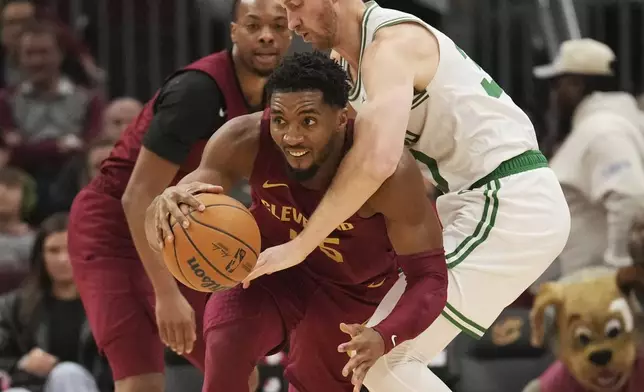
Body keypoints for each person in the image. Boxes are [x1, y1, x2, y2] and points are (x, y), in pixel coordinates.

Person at [239, 1, 572, 391]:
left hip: (508, 200)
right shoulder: (342, 65)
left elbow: (375, 162)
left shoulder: (391, 45)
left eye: (296, 6)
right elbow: (321, 157)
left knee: (383, 361)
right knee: (365, 352)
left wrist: (300, 246)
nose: (292, 24)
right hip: (468, 201)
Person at [146, 51, 447, 392]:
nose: (290, 136)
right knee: (228, 340)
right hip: (270, 269)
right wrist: (168, 203)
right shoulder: (244, 139)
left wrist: (383, 335)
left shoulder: (390, 173)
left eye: (308, 121)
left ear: (342, 117)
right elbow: (181, 202)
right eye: (279, 120)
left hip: (353, 293)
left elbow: (431, 277)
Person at [66, 0, 292, 391]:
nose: (266, 35)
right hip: (115, 230)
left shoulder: (278, 94)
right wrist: (166, 294)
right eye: (254, 25)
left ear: (292, 34)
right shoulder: (197, 92)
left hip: (184, 226)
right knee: (142, 383)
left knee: (240, 371)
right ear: (234, 31)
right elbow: (137, 197)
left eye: (278, 26)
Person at [533, 39, 644, 277]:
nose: (553, 95)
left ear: (576, 83)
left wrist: (618, 270)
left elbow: (630, 198)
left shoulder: (603, 129)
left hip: (597, 293)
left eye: (556, 84)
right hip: (584, 288)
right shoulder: (598, 126)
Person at [0, 212, 110, 392]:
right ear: (40, 256)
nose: (62, 259)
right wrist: (22, 363)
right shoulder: (14, 307)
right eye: (53, 250)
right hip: (31, 386)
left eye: (70, 249)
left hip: (89, 386)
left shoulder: (108, 305)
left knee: (67, 374)